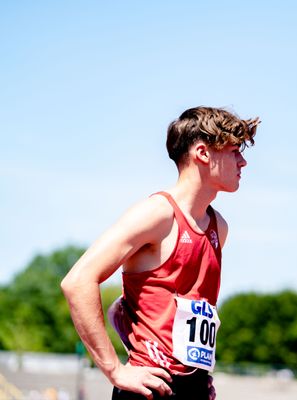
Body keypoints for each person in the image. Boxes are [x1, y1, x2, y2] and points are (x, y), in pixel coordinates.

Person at [61, 106, 259, 399]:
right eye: (234, 151)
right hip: (150, 386)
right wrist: (114, 370)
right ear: (203, 153)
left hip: (194, 388)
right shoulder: (156, 215)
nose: (243, 162)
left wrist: (198, 374)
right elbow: (77, 281)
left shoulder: (220, 227)